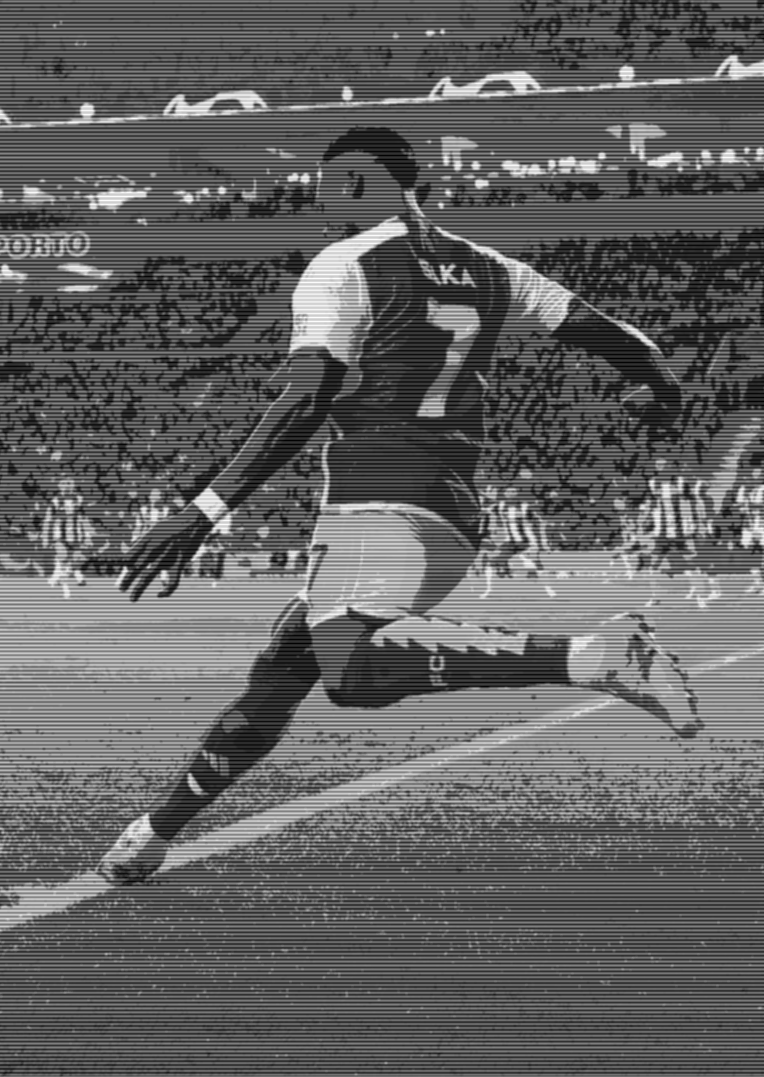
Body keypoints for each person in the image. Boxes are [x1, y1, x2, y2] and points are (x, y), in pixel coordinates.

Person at [100, 126, 702, 886]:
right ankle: (155, 834)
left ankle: (594, 655)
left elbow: (307, 393)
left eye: (325, 188)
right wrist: (659, 382)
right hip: (449, 510)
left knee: (347, 672)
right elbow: (607, 332)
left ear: (356, 182)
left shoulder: (343, 266)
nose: (318, 207)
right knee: (285, 666)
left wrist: (205, 511)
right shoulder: (491, 269)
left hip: (376, 502)